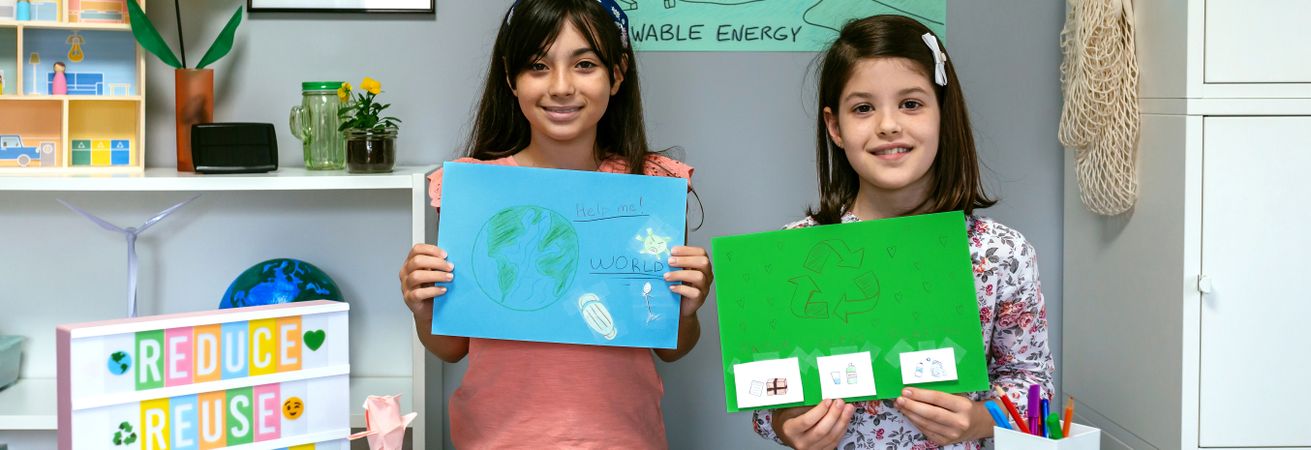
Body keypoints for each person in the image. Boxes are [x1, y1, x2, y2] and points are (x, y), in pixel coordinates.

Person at [397, 1, 712, 448]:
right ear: (511, 77)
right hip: (497, 439)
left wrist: (688, 306)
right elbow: (453, 347)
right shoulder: (473, 190)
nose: (561, 86)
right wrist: (424, 308)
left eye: (584, 64)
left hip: (621, 439)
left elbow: (671, 346)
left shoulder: (653, 189)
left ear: (617, 74)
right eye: (538, 66)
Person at [752, 15, 1054, 450]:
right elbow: (764, 402)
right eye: (863, 108)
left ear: (942, 114)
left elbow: (1034, 389)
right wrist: (785, 425)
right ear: (835, 126)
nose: (888, 125)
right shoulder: (796, 250)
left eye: (911, 104)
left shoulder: (1000, 254)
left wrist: (976, 419)